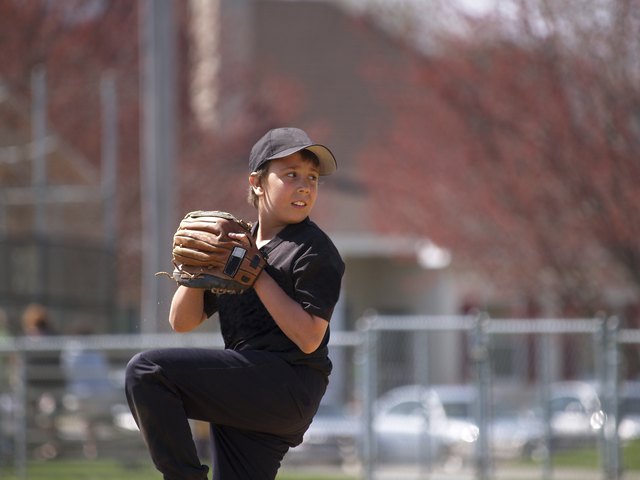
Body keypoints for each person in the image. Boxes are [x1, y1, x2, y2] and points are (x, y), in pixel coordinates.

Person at [125, 127, 345, 480]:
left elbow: (308, 338)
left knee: (148, 372)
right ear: (257, 182)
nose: (305, 185)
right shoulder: (237, 247)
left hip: (285, 384)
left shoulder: (313, 250)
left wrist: (257, 275)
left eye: (313, 177)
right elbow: (182, 322)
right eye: (291, 174)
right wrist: (196, 271)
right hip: (245, 387)